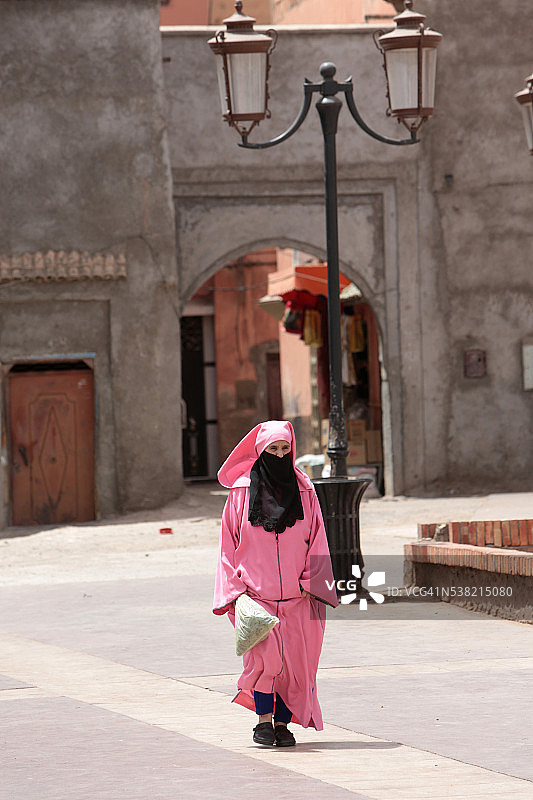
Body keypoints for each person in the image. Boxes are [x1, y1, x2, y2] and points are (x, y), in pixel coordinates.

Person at [213, 420, 339, 747]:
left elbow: (318, 538)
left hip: (299, 598)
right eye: (273, 449)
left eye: (285, 448)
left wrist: (313, 581)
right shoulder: (240, 493)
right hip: (256, 597)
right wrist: (234, 591)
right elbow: (228, 545)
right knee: (265, 662)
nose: (280, 455)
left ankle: (283, 725)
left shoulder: (305, 490)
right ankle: (263, 723)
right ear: (260, 451)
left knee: (295, 666)